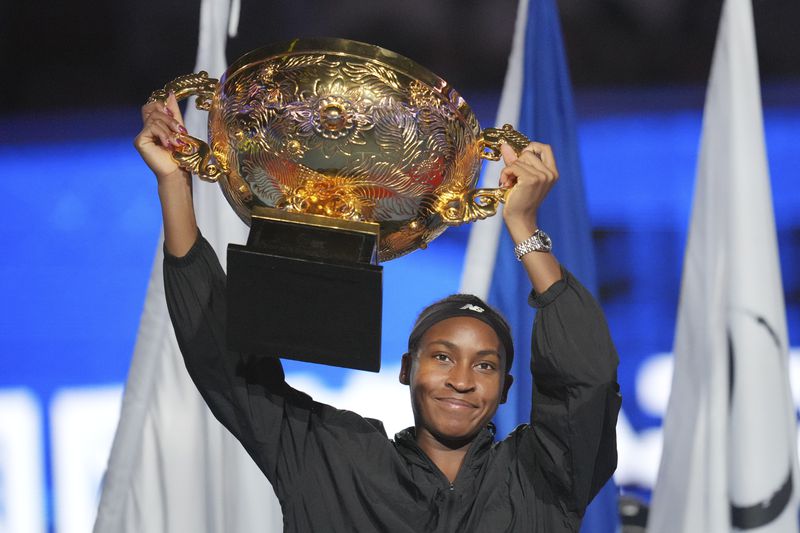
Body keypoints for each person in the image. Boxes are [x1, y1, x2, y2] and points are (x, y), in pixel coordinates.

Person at [135, 93, 621, 532]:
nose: (462, 379)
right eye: (444, 357)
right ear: (407, 369)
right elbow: (225, 369)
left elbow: (587, 378)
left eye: (486, 365)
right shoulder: (333, 459)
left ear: (505, 389)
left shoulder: (542, 479)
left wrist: (523, 225)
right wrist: (175, 183)